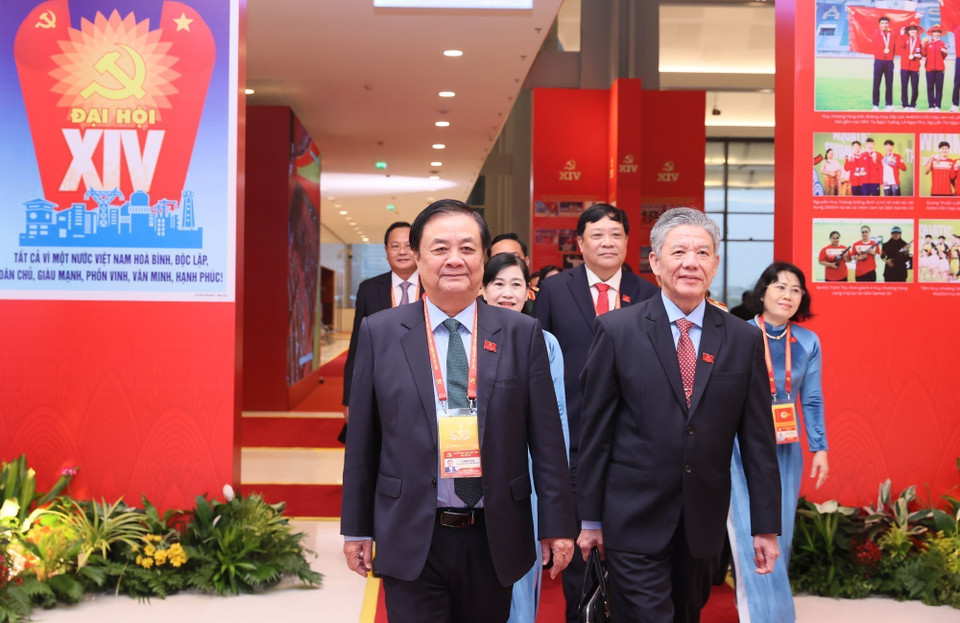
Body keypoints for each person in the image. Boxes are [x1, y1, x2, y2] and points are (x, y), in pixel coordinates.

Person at [341, 199, 576, 623]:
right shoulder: (381, 332)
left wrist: (557, 523)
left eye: (467, 248)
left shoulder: (522, 333)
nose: (454, 259)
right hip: (410, 529)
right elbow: (363, 441)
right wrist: (356, 527)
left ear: (484, 258)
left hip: (493, 533)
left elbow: (546, 439)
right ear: (417, 256)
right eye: (440, 248)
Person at [577, 207, 781, 623]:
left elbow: (759, 441)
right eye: (679, 252)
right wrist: (590, 519)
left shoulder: (743, 339)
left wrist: (765, 526)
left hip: (702, 524)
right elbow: (595, 434)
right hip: (632, 518)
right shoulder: (617, 331)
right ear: (655, 262)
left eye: (702, 253)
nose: (691, 262)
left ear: (715, 264)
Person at [533, 203, 659, 622]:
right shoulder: (555, 290)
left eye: (616, 234)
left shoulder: (647, 293)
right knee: (578, 550)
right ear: (580, 243)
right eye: (598, 235)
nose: (608, 243)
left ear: (627, 242)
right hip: (572, 438)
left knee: (627, 551)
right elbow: (539, 361)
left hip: (630, 442)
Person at [728, 262, 829, 623]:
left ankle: (775, 614)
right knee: (747, 533)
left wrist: (819, 447)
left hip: (786, 449)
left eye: (795, 290)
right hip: (738, 450)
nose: (788, 295)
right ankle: (758, 616)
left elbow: (811, 399)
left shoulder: (807, 341)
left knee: (779, 535)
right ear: (763, 292)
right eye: (780, 287)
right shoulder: (737, 333)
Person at [481, 252, 570, 623]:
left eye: (516, 284)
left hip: (527, 474)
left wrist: (556, 490)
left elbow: (557, 417)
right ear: (482, 289)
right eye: (498, 283)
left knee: (519, 572)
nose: (507, 293)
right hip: (474, 468)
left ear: (528, 292)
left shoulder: (545, 343)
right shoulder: (467, 338)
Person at [342, 221, 420, 425]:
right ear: (386, 251)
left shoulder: (435, 287)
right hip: (380, 382)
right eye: (395, 246)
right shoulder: (368, 289)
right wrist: (349, 398)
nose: (402, 252)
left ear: (418, 249)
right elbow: (357, 346)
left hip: (424, 381)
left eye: (408, 245)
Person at [487, 233, 535, 312]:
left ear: (526, 262)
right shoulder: (474, 303)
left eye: (515, 257)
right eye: (499, 258)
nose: (508, 264)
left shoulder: (540, 299)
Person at [871, 16, 897, 111]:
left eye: (886, 23)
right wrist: (852, 13)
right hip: (878, 60)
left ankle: (888, 104)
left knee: (889, 83)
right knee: (876, 83)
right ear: (879, 24)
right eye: (882, 23)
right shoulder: (876, 33)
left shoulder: (893, 34)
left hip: (889, 61)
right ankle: (875, 105)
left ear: (889, 24)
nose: (884, 25)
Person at [922, 24, 947, 111]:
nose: (936, 33)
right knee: (930, 87)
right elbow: (924, 54)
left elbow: (944, 56)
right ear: (932, 33)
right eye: (934, 32)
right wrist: (923, 45)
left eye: (938, 32)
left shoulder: (943, 44)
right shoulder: (928, 43)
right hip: (929, 69)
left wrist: (945, 51)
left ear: (940, 33)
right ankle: (931, 106)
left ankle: (938, 106)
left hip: (940, 69)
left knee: (939, 88)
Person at [898, 23, 922, 110]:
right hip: (904, 66)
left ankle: (913, 104)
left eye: (914, 29)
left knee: (915, 87)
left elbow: (922, 53)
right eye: (910, 29)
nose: (912, 31)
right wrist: (901, 35)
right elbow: (900, 46)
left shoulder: (919, 41)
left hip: (915, 67)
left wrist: (919, 55)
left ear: (916, 31)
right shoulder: (905, 38)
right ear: (908, 31)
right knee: (904, 86)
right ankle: (905, 104)